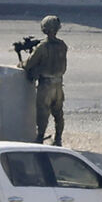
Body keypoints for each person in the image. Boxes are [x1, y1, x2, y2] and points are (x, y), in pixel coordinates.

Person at [21, 15, 68, 146]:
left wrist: (21, 63)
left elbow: (28, 64)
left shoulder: (42, 47)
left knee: (42, 113)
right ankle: (58, 139)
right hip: (58, 84)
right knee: (58, 113)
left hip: (46, 86)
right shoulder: (62, 45)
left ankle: (40, 138)